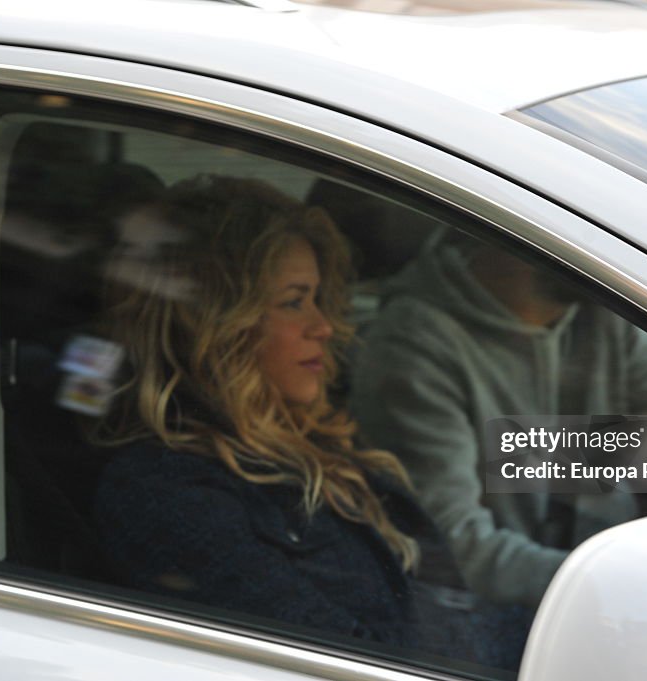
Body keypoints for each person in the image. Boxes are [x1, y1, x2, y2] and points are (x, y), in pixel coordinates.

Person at [91, 175, 525, 669]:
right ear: (218, 323)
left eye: (317, 299)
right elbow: (356, 662)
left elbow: (619, 455)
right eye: (294, 302)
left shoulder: (317, 444)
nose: (324, 327)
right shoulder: (170, 494)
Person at [350, 230, 647, 607]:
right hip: (508, 625)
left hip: (602, 582)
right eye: (594, 231)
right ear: (522, 228)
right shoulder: (414, 352)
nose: (622, 247)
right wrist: (633, 589)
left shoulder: (596, 313)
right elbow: (455, 551)